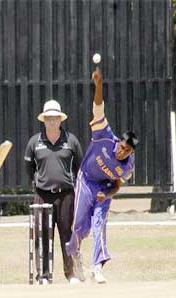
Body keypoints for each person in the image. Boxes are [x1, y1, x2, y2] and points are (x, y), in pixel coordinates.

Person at [65, 68, 139, 283]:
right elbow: (98, 108)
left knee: (99, 224)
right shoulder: (104, 136)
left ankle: (97, 266)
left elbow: (117, 185)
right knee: (79, 226)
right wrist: (98, 85)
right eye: (123, 147)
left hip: (103, 189)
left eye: (128, 151)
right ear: (119, 142)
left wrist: (106, 196)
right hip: (85, 180)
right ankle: (75, 252)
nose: (123, 152)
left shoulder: (128, 167)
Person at [24, 100, 84, 284]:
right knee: (41, 235)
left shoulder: (71, 140)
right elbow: (29, 167)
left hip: (66, 194)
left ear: (60, 119)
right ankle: (43, 275)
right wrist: (38, 181)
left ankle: (71, 273)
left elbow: (79, 167)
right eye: (48, 118)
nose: (52, 121)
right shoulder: (35, 142)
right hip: (43, 195)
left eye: (55, 118)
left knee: (67, 234)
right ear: (44, 120)